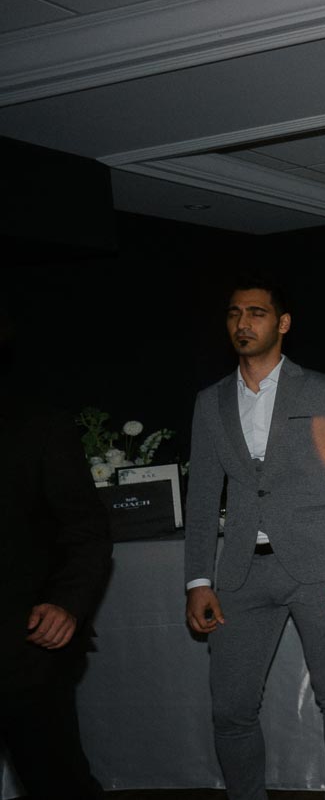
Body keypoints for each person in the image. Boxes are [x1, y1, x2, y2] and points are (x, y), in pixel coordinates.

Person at [183, 277, 325, 800]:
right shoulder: (210, 402)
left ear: (282, 323)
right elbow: (201, 497)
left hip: (319, 567)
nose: (244, 323)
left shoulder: (323, 389)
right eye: (235, 313)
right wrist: (198, 579)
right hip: (240, 571)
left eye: (258, 313)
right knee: (231, 709)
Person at [0, 306, 113, 800]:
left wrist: (66, 604)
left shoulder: (38, 429)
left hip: (24, 645)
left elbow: (87, 530)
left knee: (56, 780)